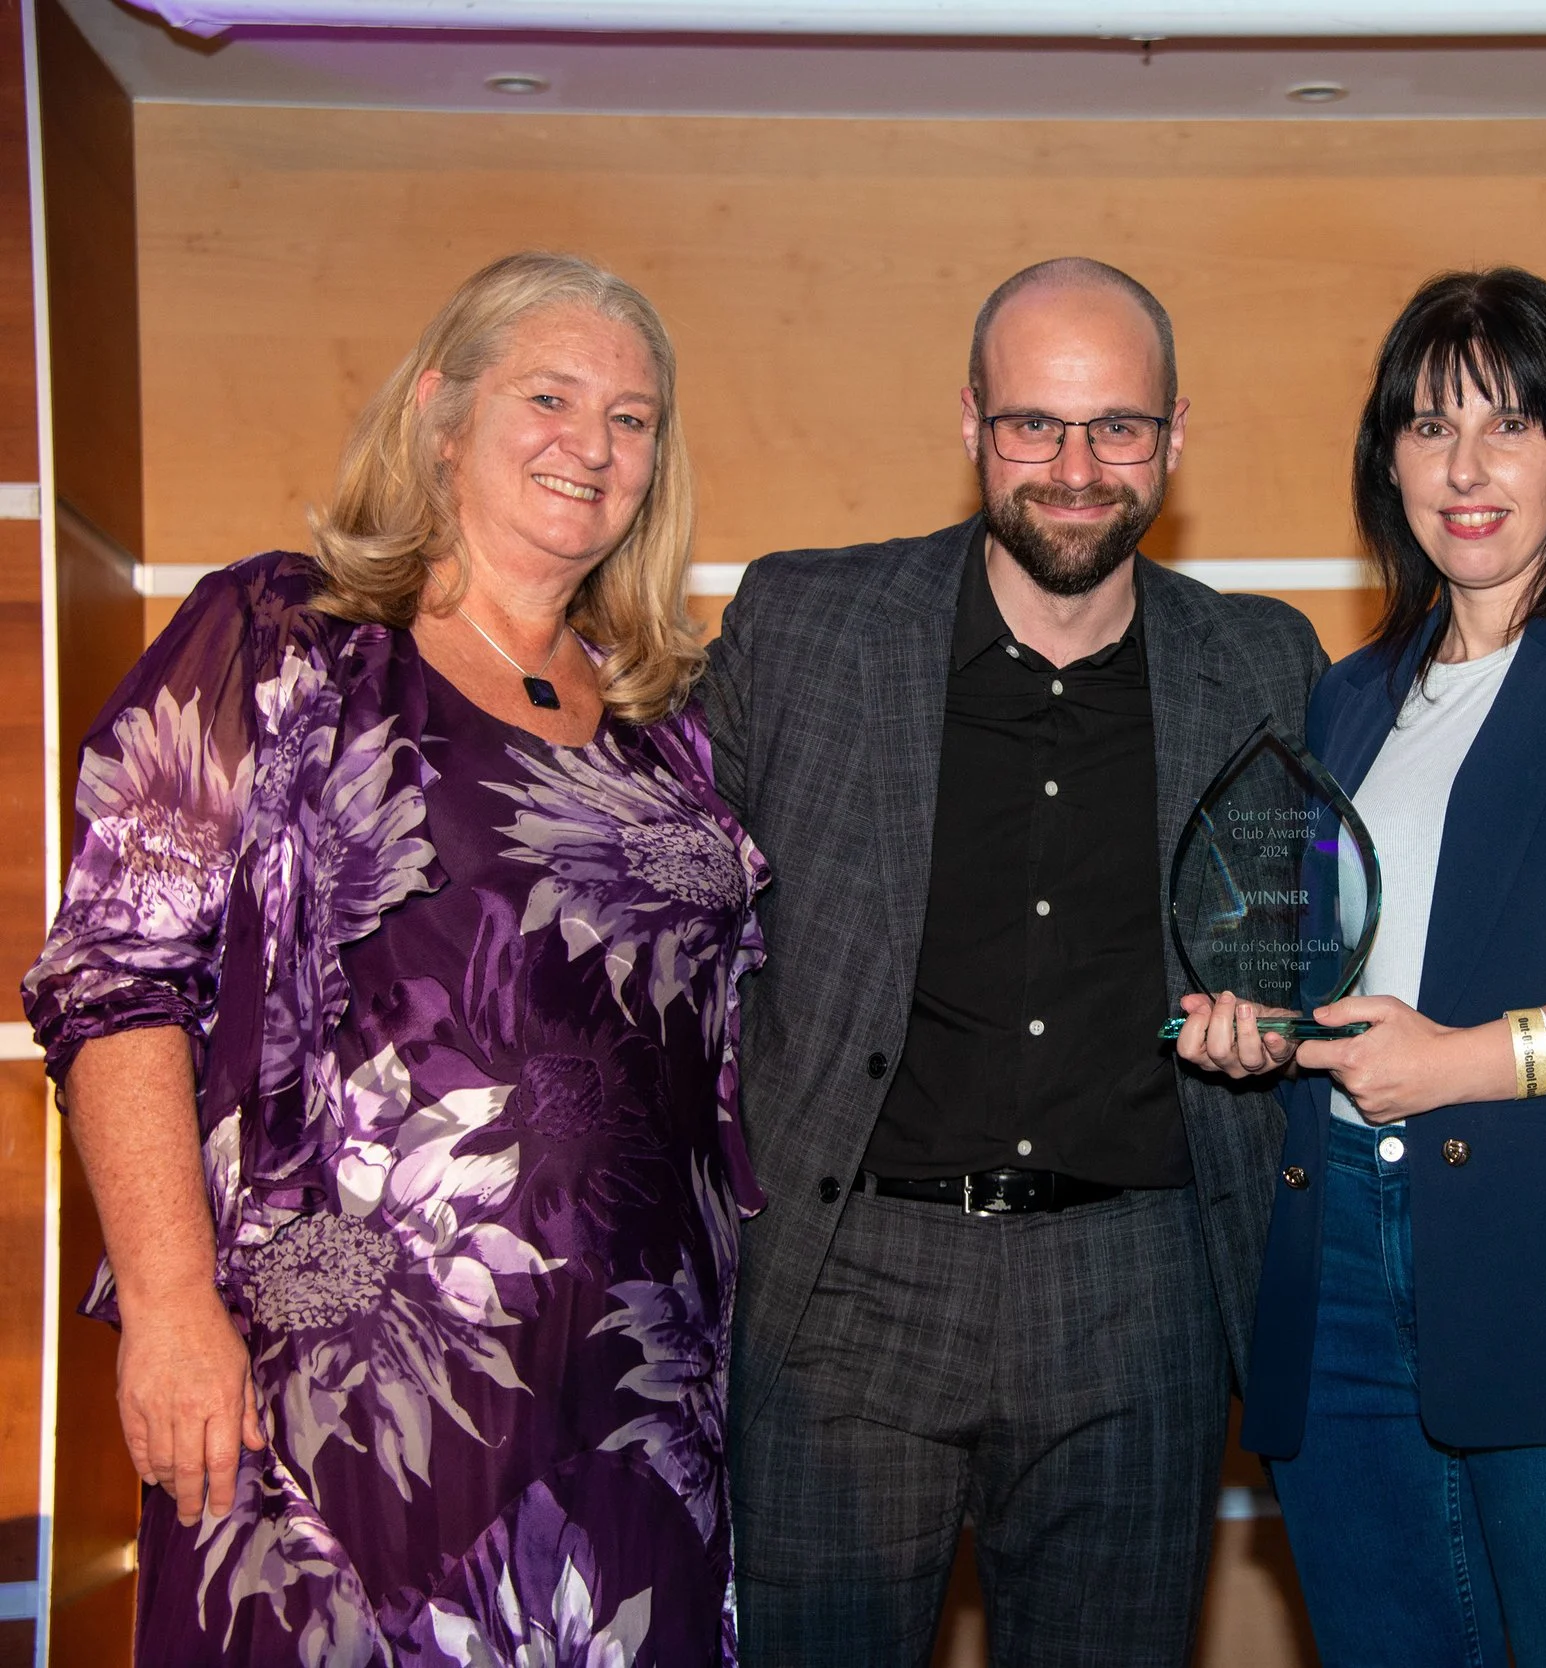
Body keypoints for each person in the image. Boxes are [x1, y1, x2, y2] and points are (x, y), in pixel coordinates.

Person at [22, 252, 764, 1663]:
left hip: (641, 1406)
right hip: (343, 1401)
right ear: (441, 413)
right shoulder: (287, 639)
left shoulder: (671, 727)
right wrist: (172, 1308)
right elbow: (118, 978)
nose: (593, 446)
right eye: (550, 396)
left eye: (633, 419)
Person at [706, 256, 1327, 1665]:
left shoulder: (1262, 664)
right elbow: (652, 888)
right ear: (971, 423)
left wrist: (1274, 1022)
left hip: (1141, 1286)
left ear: (1175, 437)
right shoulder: (802, 629)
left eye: (1117, 427)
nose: (1074, 466)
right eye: (1034, 425)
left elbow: (1301, 940)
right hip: (847, 1280)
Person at [1180, 268, 1546, 1667]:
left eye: (1510, 423)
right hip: (1333, 1263)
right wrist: (1260, 1028)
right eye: (1428, 425)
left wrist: (1459, 1062)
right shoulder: (1353, 690)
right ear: (1384, 455)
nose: (1465, 468)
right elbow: (1328, 964)